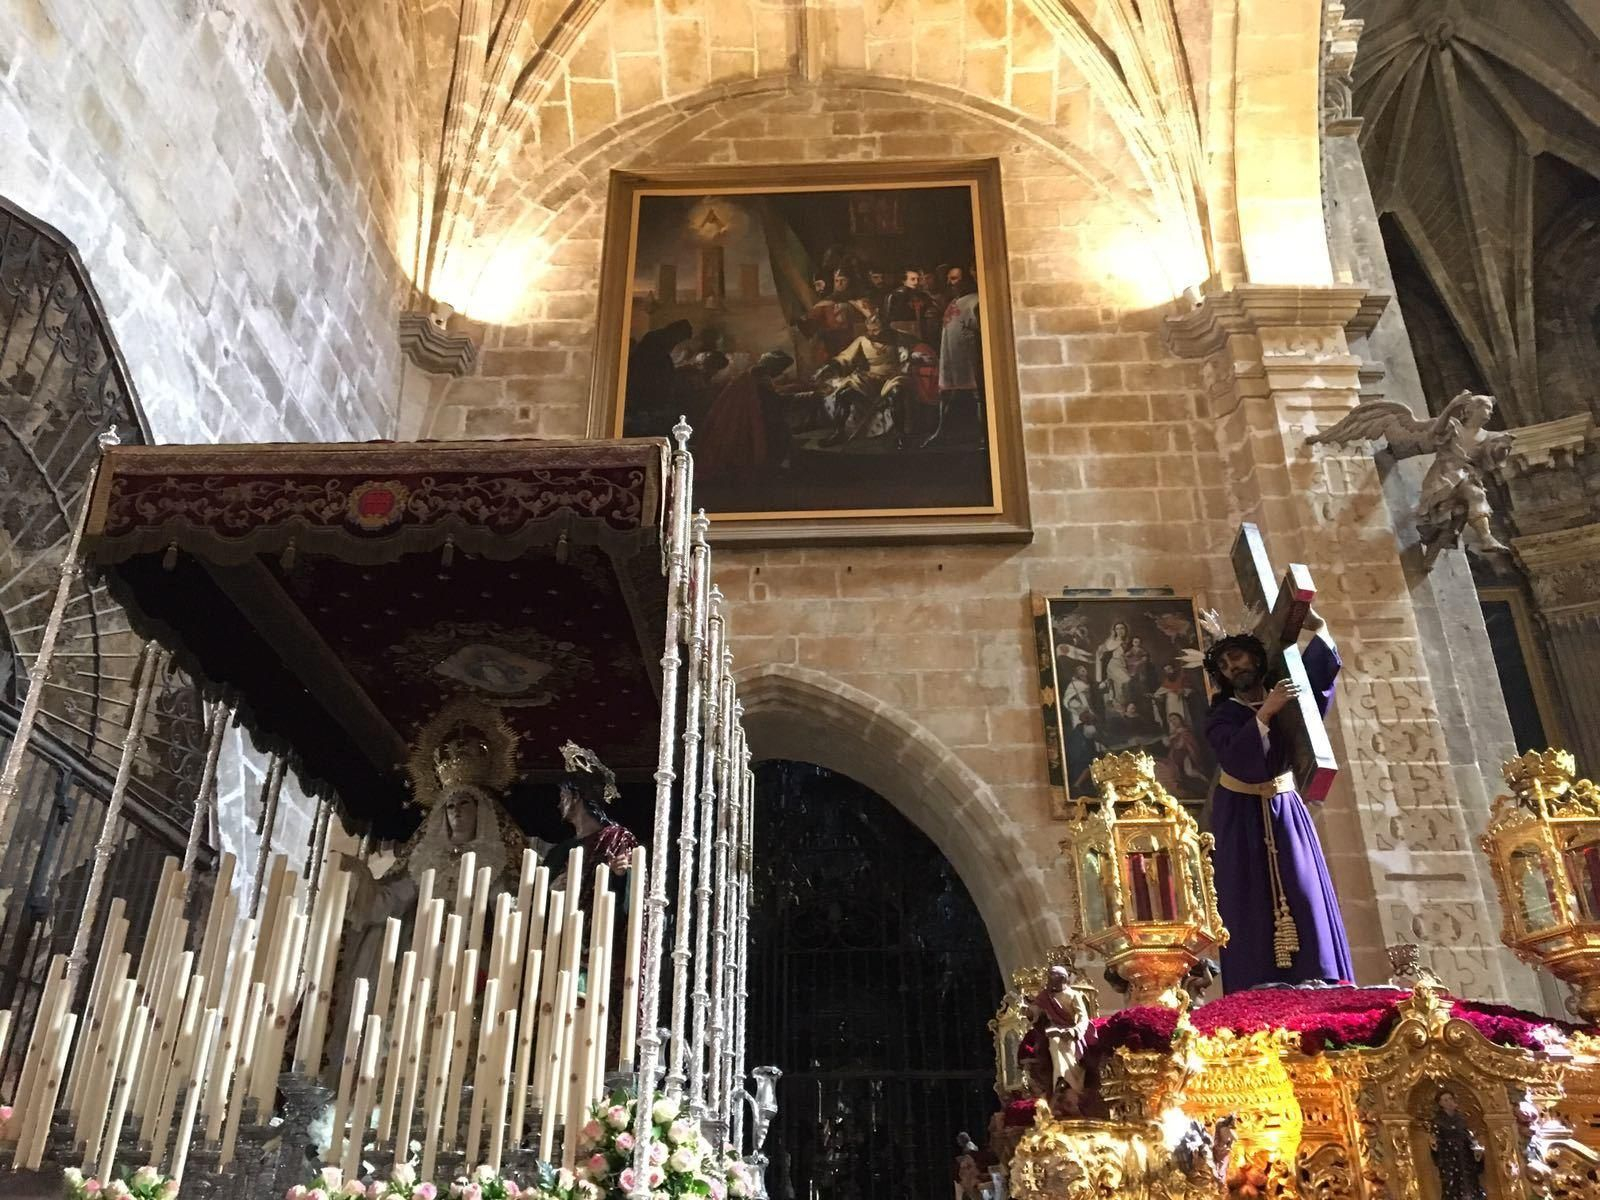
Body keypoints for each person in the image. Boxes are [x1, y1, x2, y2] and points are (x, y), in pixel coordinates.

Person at [1202, 622, 1352, 992]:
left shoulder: (1287, 695)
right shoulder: (1222, 716)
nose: (1232, 667)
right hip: (1240, 813)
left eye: (1236, 657)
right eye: (1224, 665)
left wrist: (1318, 630)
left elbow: (1315, 688)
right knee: (1247, 899)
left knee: (1303, 888)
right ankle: (1256, 987)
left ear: (1256, 658)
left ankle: (1320, 977)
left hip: (1285, 809)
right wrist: (1265, 714)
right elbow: (1239, 760)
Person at [697, 350, 797, 478]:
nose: (780, 373)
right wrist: (799, 396)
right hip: (755, 420)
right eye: (780, 369)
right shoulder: (759, 379)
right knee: (783, 430)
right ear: (773, 368)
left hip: (748, 417)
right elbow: (773, 402)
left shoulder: (750, 375)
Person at [1429, 1089, 1487, 1200]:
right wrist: (1435, 1146)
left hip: (1465, 1157)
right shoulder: (1438, 1121)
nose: (1449, 1102)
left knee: (1470, 1182)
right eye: (1445, 1100)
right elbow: (1435, 1141)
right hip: (1449, 1159)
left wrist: (1476, 1150)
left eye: (1450, 1099)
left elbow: (1468, 1137)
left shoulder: (1461, 1119)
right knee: (1452, 1184)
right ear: (1440, 1103)